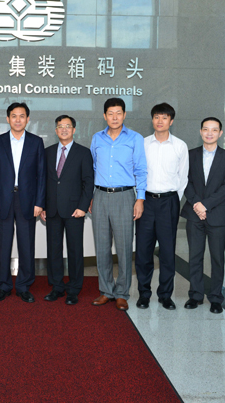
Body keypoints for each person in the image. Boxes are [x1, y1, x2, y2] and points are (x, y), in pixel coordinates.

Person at [89, 98, 147, 311]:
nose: (114, 117)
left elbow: (141, 170)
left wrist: (140, 198)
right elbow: (93, 168)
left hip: (125, 197)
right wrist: (92, 196)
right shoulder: (97, 138)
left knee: (123, 247)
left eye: (118, 113)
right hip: (101, 196)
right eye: (110, 113)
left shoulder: (135, 138)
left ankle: (122, 293)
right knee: (102, 247)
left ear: (124, 115)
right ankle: (106, 291)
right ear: (104, 116)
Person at [0, 102, 46, 303]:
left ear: (28, 119)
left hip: (27, 199)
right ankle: (3, 285)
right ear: (7, 119)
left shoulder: (36, 142)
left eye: (22, 116)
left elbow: (41, 175)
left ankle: (23, 285)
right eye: (14, 116)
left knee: (26, 243)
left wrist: (40, 202)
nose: (18, 119)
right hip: (3, 199)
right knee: (3, 244)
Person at [180, 117, 225, 314]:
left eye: (214, 130)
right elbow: (184, 181)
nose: (210, 133)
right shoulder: (190, 155)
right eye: (206, 129)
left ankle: (215, 297)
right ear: (201, 131)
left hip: (217, 215)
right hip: (194, 214)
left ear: (220, 133)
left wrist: (205, 205)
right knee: (194, 257)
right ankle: (195, 295)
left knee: (217, 258)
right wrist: (197, 203)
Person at [135, 103, 188, 310]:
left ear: (171, 121)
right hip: (146, 201)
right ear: (152, 119)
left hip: (169, 202)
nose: (160, 121)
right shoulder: (143, 144)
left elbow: (183, 178)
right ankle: (144, 294)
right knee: (143, 251)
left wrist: (172, 199)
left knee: (167, 252)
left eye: (164, 117)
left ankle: (165, 295)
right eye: (157, 117)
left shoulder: (180, 146)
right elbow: (136, 173)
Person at [40, 115, 93, 305]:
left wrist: (82, 207)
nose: (63, 129)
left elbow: (88, 182)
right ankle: (56, 287)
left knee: (75, 250)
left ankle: (74, 289)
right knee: (53, 250)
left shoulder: (83, 153)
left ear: (74, 129)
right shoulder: (47, 152)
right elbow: (43, 182)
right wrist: (43, 205)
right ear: (55, 130)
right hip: (52, 209)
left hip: (74, 210)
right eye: (60, 126)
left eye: (67, 126)